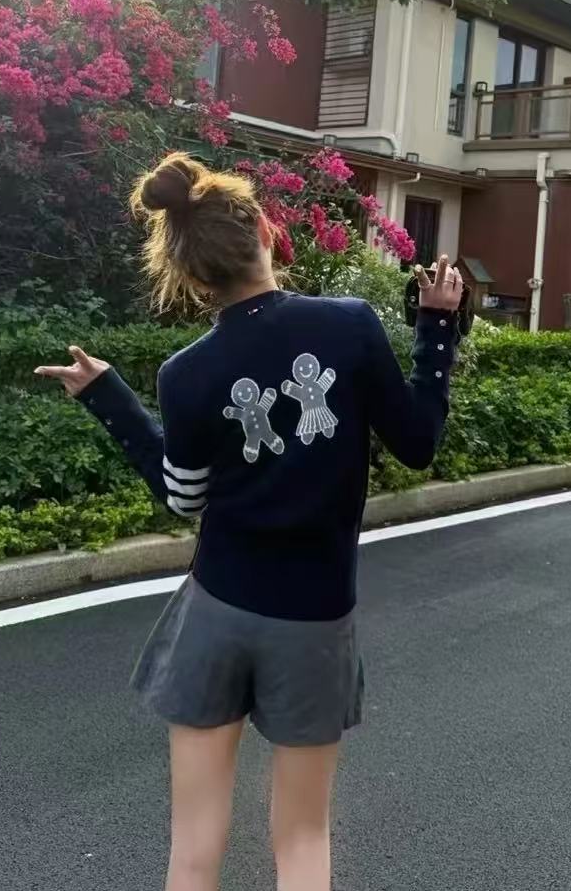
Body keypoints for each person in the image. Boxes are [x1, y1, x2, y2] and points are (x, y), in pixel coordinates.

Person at [35, 152, 463, 891]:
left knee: (194, 850)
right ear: (266, 231)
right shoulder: (349, 326)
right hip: (315, 618)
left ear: (193, 276)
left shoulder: (186, 372)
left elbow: (184, 499)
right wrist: (437, 328)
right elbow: (418, 442)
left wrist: (111, 399)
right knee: (301, 838)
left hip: (218, 610)